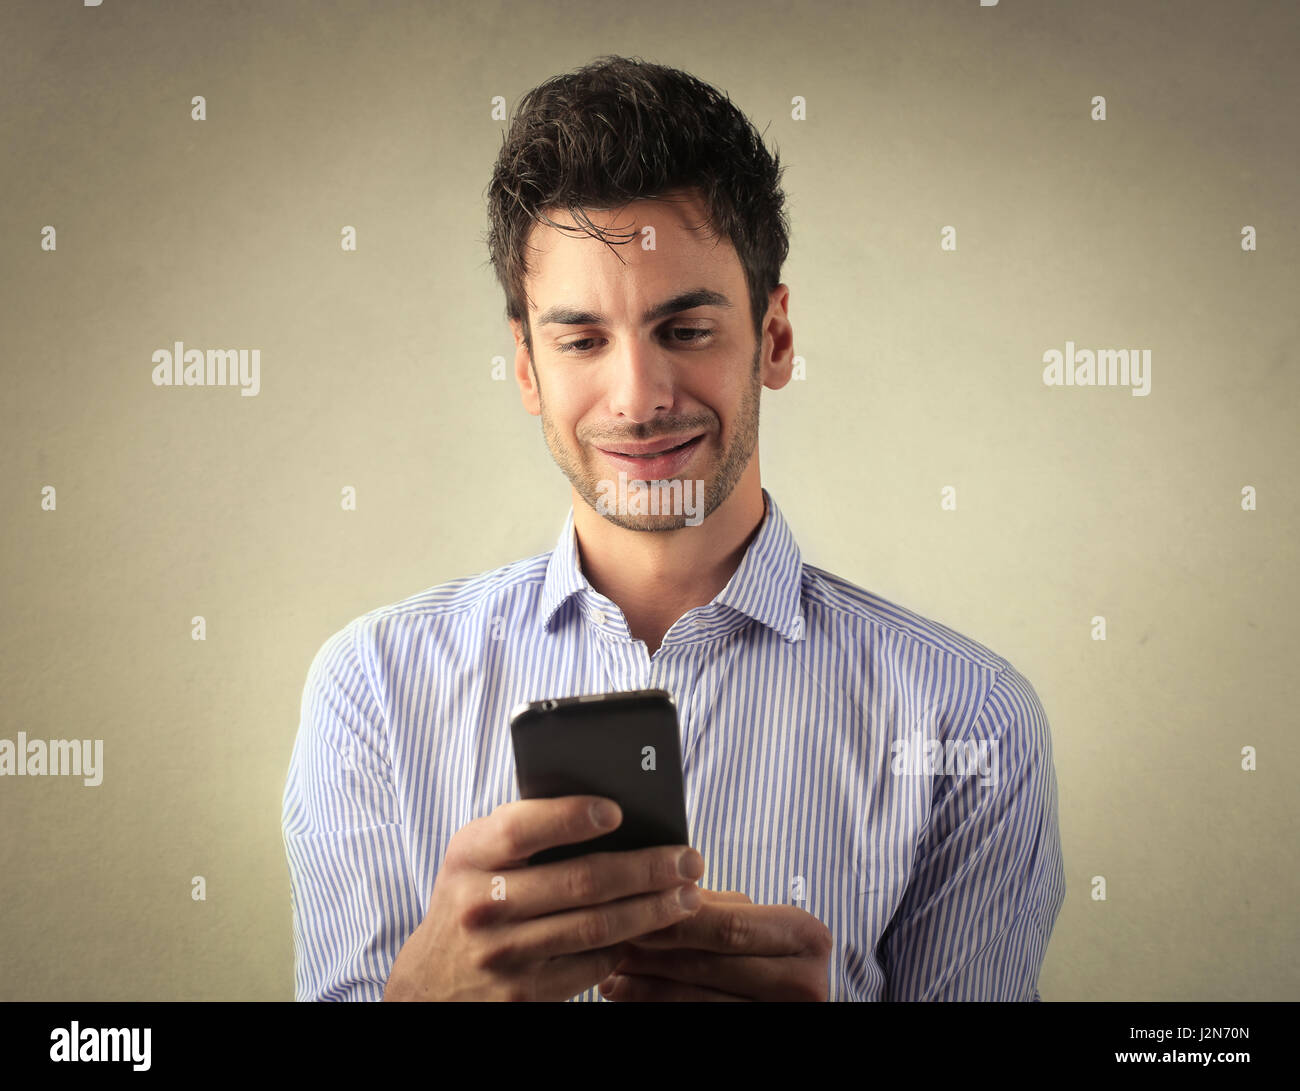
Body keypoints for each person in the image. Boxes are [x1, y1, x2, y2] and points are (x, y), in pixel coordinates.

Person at [281, 54, 1066, 1002]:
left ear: (773, 339)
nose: (640, 398)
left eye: (685, 329)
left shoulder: (970, 722)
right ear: (527, 368)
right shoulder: (369, 693)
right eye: (580, 340)